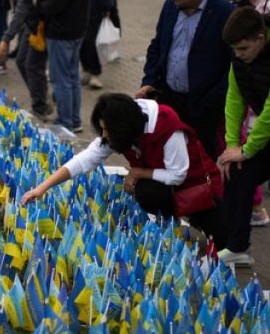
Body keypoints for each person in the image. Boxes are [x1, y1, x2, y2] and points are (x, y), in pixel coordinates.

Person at [21, 93, 228, 249]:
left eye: (106, 130)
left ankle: (198, 224)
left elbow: (178, 175)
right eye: (101, 129)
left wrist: (138, 172)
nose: (104, 134)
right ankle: (170, 226)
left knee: (221, 241)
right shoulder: (120, 127)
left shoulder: (168, 127)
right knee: (147, 191)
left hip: (198, 188)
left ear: (124, 128)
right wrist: (42, 188)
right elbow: (84, 160)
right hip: (169, 188)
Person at [216, 7, 270, 268]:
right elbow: (234, 99)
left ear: (261, 38)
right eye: (234, 50)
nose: (238, 55)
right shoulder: (240, 57)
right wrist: (233, 145)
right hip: (266, 138)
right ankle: (237, 247)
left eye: (243, 49)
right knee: (236, 173)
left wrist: (247, 150)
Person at [137, 0, 234, 160]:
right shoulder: (169, 7)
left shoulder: (224, 13)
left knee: (200, 158)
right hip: (169, 99)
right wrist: (149, 81)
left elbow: (232, 64)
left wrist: (213, 99)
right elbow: (157, 46)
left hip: (203, 106)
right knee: (166, 155)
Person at [35, 0, 91, 132]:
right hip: (76, 29)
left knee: (61, 79)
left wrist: (39, 5)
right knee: (72, 76)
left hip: (62, 31)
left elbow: (58, 2)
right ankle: (74, 120)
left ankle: (66, 121)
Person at [0, 0, 52, 118]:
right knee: (22, 61)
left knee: (31, 64)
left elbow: (24, 7)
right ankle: (41, 99)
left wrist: (7, 37)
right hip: (30, 22)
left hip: (38, 23)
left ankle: (40, 105)